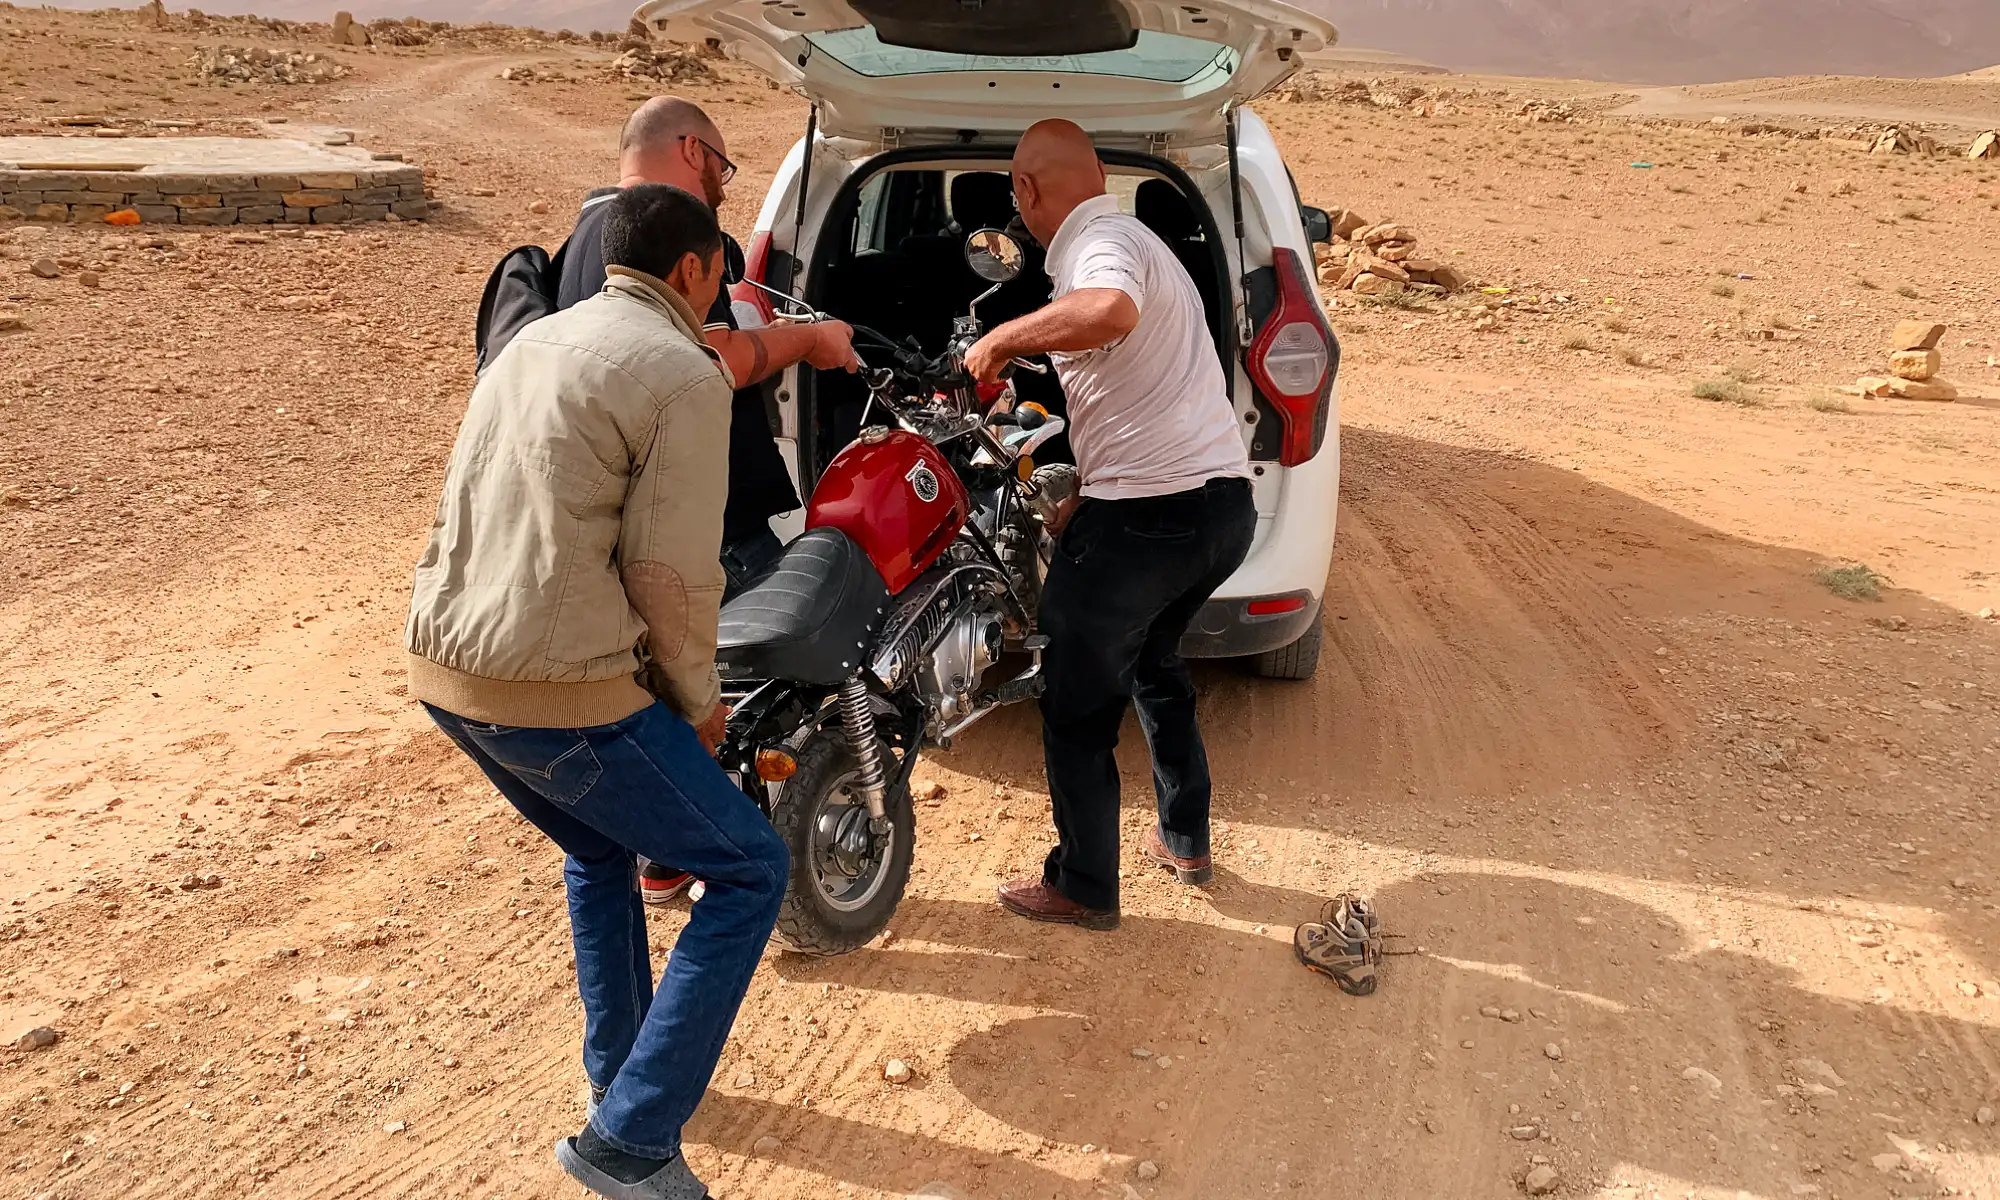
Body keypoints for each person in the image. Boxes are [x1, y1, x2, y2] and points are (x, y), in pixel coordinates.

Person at [406, 184, 787, 1200]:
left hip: (445, 674)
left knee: (597, 842)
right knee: (749, 867)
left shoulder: (532, 342)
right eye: (719, 276)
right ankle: (629, 1142)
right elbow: (671, 574)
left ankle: (620, 1081)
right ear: (691, 270)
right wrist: (697, 700)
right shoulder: (683, 372)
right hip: (555, 687)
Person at [556, 96, 860, 906]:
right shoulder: (675, 236)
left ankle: (664, 855)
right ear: (690, 149)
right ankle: (758, 860)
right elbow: (715, 356)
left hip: (625, 518)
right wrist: (814, 338)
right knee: (768, 681)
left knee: (669, 684)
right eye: (722, 165)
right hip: (702, 516)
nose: (726, 183)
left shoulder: (589, 237)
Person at [963, 120, 1257, 931]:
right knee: (1156, 663)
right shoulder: (1138, 237)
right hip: (1220, 509)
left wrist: (1000, 337)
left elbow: (1108, 310)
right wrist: (1091, 492)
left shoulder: (1100, 242)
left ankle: (1084, 885)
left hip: (1154, 520)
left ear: (1023, 192)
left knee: (1074, 700)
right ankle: (1184, 838)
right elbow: (1139, 393)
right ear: (1095, 170)